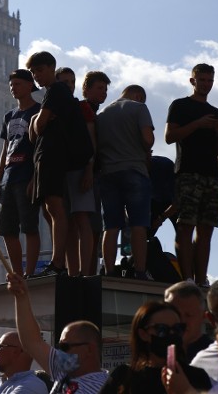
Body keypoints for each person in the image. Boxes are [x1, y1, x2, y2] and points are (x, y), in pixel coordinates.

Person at [165, 63, 218, 285]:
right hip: (188, 173)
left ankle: (201, 280)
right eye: (202, 80)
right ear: (193, 81)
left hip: (211, 176)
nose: (206, 85)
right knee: (185, 226)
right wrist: (198, 124)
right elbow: (170, 136)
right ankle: (188, 279)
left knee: (206, 231)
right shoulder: (180, 106)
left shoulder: (217, 113)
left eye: (210, 80)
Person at [27, 51, 83, 276]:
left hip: (53, 155)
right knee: (47, 210)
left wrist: (38, 120)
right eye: (33, 72)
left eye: (39, 70)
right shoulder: (51, 94)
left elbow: (38, 129)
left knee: (55, 207)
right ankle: (58, 261)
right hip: (45, 156)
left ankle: (58, 263)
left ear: (52, 68)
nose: (37, 76)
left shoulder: (56, 91)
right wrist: (37, 118)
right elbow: (34, 131)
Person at [6, 273, 109, 392]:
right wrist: (21, 297)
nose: (60, 352)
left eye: (65, 347)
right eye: (59, 346)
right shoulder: (63, 371)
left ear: (89, 349)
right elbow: (32, 342)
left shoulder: (104, 388)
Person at [96, 85, 155, 280]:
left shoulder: (102, 114)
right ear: (139, 95)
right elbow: (148, 139)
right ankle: (139, 272)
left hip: (108, 173)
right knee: (138, 224)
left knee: (111, 226)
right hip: (134, 171)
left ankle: (109, 271)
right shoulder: (139, 108)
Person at [0, 69, 42, 276]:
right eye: (12, 85)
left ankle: (30, 272)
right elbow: (5, 150)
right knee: (7, 231)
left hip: (26, 177)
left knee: (29, 227)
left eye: (18, 84)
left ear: (30, 85)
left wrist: (35, 178)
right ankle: (17, 273)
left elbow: (41, 148)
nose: (14, 88)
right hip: (8, 179)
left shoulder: (39, 111)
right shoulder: (9, 116)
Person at [99, 301, 211, 394]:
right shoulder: (124, 376)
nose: (171, 335)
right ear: (143, 334)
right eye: (162, 330)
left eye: (177, 329)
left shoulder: (195, 376)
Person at [55, 66, 97, 276]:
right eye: (64, 83)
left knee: (82, 218)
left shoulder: (82, 108)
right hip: (59, 172)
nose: (69, 86)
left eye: (72, 82)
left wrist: (89, 169)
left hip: (80, 169)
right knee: (67, 223)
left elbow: (91, 141)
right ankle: (72, 272)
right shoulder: (52, 108)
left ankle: (84, 270)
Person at [82, 71, 111, 275]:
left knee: (94, 225)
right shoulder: (84, 110)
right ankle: (88, 270)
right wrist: (89, 169)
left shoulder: (96, 113)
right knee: (90, 225)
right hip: (88, 175)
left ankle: (90, 268)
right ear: (87, 89)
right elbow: (88, 145)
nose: (104, 93)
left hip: (96, 174)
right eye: (100, 88)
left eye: (106, 89)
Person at [164, 280, 212, 361]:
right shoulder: (154, 354)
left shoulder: (215, 356)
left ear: (203, 316)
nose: (182, 320)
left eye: (189, 315)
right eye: (176, 314)